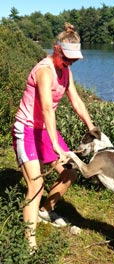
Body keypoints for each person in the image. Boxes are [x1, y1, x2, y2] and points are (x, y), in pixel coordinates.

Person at [12, 22, 95, 251]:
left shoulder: (65, 71)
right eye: (68, 58)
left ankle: (45, 210)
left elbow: (76, 100)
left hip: (46, 130)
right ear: (56, 50)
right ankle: (30, 247)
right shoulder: (44, 71)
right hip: (27, 129)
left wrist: (91, 126)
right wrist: (57, 146)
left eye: (74, 60)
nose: (71, 63)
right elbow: (47, 108)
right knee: (36, 184)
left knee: (69, 172)